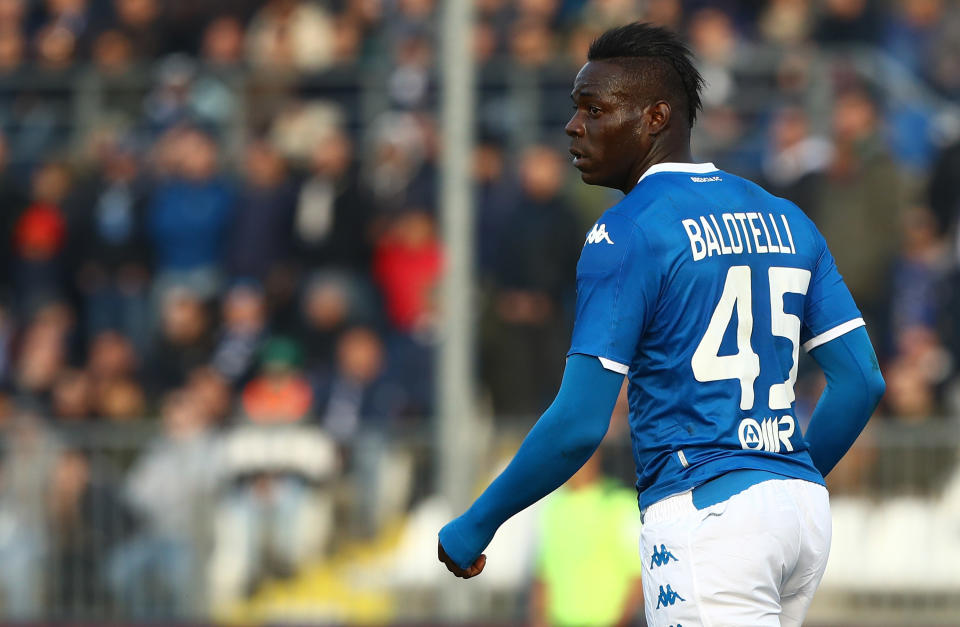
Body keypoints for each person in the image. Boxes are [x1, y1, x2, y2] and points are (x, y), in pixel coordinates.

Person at [437, 23, 886, 627]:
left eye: (595, 110)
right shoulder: (786, 216)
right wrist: (781, 479)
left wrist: (475, 524)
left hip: (709, 517)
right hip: (798, 513)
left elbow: (576, 425)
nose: (574, 127)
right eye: (576, 109)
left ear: (654, 117)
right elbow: (860, 382)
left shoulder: (627, 230)